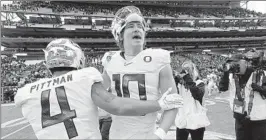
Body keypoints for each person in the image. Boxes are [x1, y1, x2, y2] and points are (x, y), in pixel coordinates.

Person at [14, 38, 184, 139]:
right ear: (77, 57)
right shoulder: (85, 77)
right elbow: (116, 105)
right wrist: (158, 104)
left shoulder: (26, 93)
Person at [101, 6, 182, 140]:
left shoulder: (158, 59)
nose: (137, 29)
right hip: (116, 135)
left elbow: (173, 102)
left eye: (140, 26)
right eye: (131, 26)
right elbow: (97, 94)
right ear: (120, 34)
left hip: (146, 135)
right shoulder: (110, 60)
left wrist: (159, 135)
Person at [219, 49, 266, 140]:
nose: (233, 68)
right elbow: (222, 88)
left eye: (236, 64)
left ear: (245, 63)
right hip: (240, 118)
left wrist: (260, 89)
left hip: (259, 119)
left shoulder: (262, 74)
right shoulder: (232, 76)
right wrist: (225, 73)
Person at [174, 61, 210, 140]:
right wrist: (175, 81)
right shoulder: (180, 85)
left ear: (193, 70)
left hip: (196, 121)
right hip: (182, 119)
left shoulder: (199, 83)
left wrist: (188, 79)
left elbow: (197, 95)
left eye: (188, 69)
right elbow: (173, 96)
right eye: (184, 69)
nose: (186, 72)